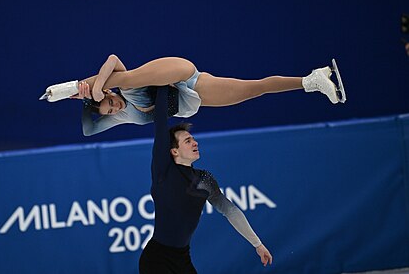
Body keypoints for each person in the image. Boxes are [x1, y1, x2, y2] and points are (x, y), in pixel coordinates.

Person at [139, 86, 272, 273]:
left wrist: (257, 244)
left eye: (193, 139)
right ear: (174, 151)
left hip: (182, 258)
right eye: (187, 141)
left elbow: (230, 211)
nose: (195, 142)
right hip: (157, 260)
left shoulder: (204, 179)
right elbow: (160, 122)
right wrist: (162, 85)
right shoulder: (164, 170)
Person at [68, 54, 344, 135]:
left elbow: (113, 60)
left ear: (108, 92)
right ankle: (311, 81)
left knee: (128, 79)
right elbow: (89, 130)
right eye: (111, 110)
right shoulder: (123, 116)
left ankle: (311, 81)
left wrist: (86, 87)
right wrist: (85, 100)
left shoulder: (124, 87)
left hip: (179, 74)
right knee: (253, 89)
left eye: (109, 101)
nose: (114, 107)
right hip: (192, 92)